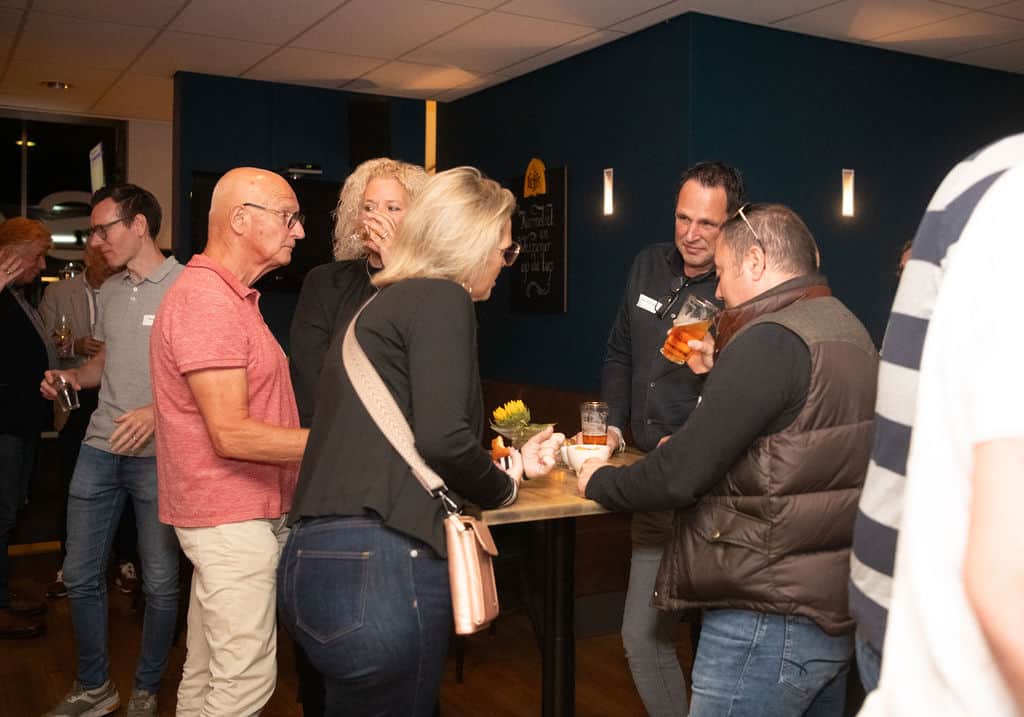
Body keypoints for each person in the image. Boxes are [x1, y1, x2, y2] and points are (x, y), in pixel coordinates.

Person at [278, 166, 564, 716]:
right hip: (383, 564)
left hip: (312, 561)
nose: (506, 264)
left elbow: (399, 439)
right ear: (472, 244)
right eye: (505, 250)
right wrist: (505, 491)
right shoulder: (441, 297)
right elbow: (443, 440)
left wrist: (510, 464)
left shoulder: (377, 307)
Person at [579, 203, 878, 716]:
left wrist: (599, 481)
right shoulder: (848, 327)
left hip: (763, 612)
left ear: (755, 261)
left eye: (721, 272)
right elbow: (792, 444)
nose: (717, 290)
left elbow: (680, 476)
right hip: (831, 611)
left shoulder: (769, 338)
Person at [856, 135, 1024, 715]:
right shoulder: (1011, 207)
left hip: (893, 606)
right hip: (937, 647)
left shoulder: (986, 181)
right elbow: (1006, 584)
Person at [150, 167, 309, 716]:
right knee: (244, 682)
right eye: (288, 216)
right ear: (241, 219)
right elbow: (231, 433)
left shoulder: (230, 297)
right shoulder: (207, 300)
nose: (299, 231)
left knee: (206, 671)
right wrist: (339, 443)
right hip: (229, 518)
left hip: (235, 516)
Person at [601, 161, 743, 715]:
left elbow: (748, 391)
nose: (692, 234)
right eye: (684, 218)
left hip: (713, 492)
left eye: (707, 223)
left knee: (717, 644)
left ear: (732, 224)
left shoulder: (738, 289)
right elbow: (619, 352)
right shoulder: (647, 265)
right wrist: (612, 426)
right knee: (644, 637)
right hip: (653, 481)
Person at [40, 184, 182, 717]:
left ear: (138, 225)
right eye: (94, 231)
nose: (96, 240)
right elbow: (103, 366)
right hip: (99, 448)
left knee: (160, 581)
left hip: (159, 456)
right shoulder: (112, 290)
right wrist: (71, 377)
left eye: (104, 229)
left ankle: (146, 687)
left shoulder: (188, 287)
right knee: (80, 574)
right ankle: (95, 686)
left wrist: (157, 412)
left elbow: (208, 380)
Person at [290, 157, 428, 425]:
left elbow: (424, 375)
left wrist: (395, 265)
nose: (377, 217)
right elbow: (310, 377)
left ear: (418, 219)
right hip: (334, 432)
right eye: (368, 207)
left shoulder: (433, 288)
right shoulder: (325, 282)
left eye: (393, 208)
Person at [39, 240, 137, 601]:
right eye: (101, 256)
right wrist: (76, 347)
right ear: (87, 257)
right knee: (74, 481)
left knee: (126, 477)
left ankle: (126, 560)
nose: (108, 262)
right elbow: (46, 342)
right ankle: (71, 565)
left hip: (118, 396)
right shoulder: (59, 292)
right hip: (75, 396)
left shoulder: (129, 290)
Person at [0, 221, 53, 639]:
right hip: (4, 426)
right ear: (12, 256)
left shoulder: (16, 295)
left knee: (9, 513)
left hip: (20, 423)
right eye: (36, 256)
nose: (42, 265)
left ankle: (2, 595)